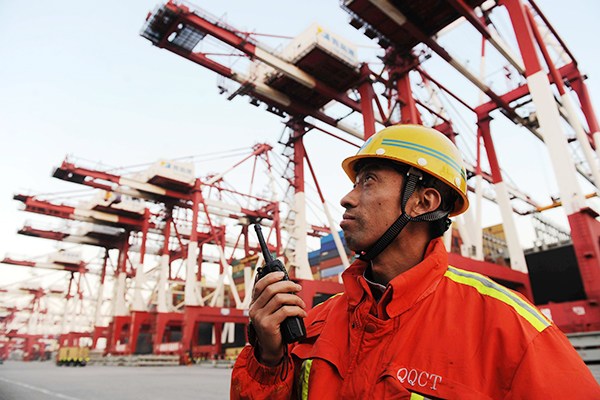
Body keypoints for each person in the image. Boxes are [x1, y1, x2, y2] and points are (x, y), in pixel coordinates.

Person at [231, 124, 600, 399]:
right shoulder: (315, 322)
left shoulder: (510, 328)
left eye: (368, 181)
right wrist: (268, 357)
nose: (346, 198)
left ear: (423, 202)